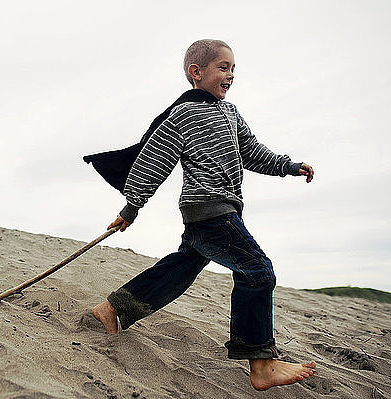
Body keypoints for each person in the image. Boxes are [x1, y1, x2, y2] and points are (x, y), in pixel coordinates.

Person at [91, 39, 316, 391]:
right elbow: (155, 162)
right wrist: (131, 207)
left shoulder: (231, 113)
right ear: (197, 72)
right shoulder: (184, 114)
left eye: (233, 69)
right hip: (209, 210)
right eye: (223, 67)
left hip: (218, 210)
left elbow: (253, 152)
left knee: (182, 266)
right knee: (258, 271)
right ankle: (261, 363)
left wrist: (287, 166)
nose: (230, 75)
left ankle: (114, 308)